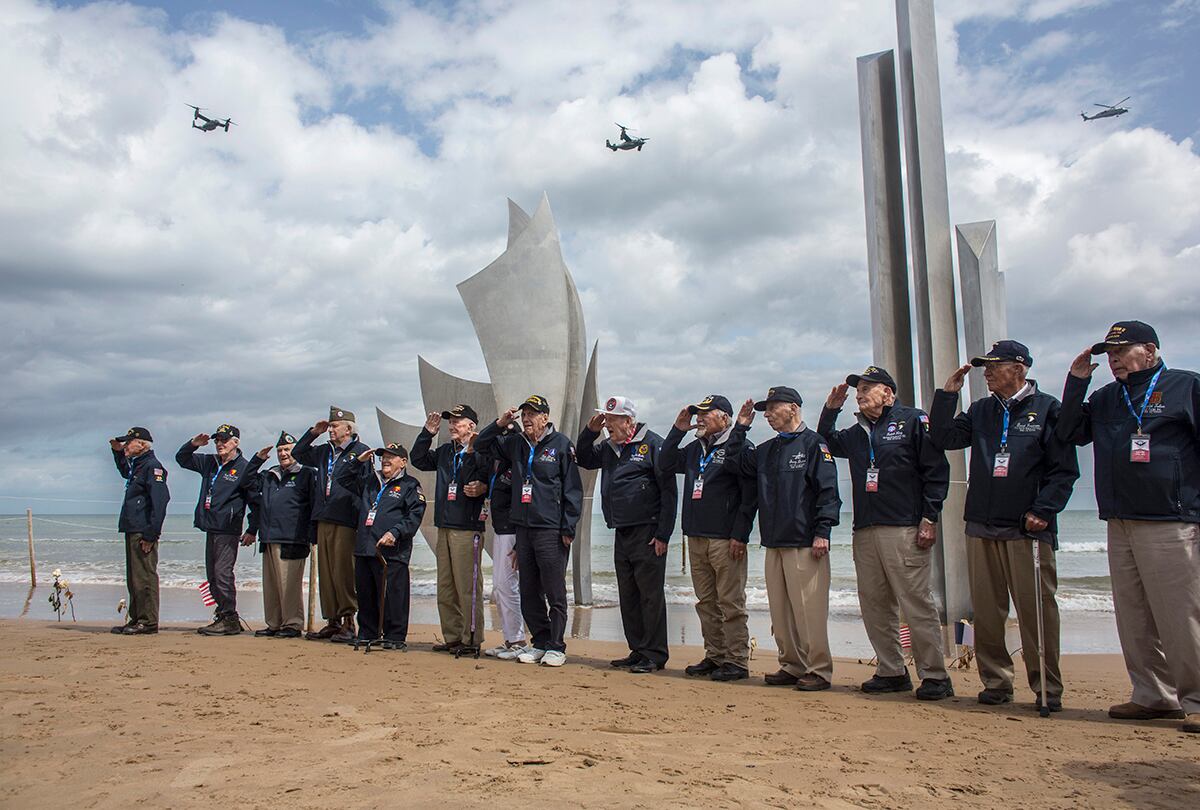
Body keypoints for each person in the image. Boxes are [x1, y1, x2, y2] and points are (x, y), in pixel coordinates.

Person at [1057, 321, 1200, 733]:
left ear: (1150, 351)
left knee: (1180, 615)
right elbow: (1068, 432)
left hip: (1171, 520)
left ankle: (1195, 698)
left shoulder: (1184, 386)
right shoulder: (1107, 397)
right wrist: (1077, 383)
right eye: (1109, 353)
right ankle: (1153, 695)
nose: (1114, 358)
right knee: (1134, 615)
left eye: (1122, 350)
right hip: (1120, 519)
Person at [928, 340, 1079, 711]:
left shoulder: (1048, 409)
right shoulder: (981, 410)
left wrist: (1044, 510)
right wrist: (947, 397)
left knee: (1036, 612)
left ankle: (1047, 689)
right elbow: (943, 438)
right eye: (984, 366)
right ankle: (996, 683)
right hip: (981, 525)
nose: (987, 371)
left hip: (1027, 529)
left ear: (1021, 367)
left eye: (995, 365)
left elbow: (1064, 471)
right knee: (987, 613)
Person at [818, 366, 954, 700]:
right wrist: (831, 410)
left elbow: (936, 471)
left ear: (888, 393)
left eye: (867, 388)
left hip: (904, 527)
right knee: (875, 604)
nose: (860, 394)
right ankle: (892, 670)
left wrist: (929, 517)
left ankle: (935, 675)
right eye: (858, 390)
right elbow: (827, 443)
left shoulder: (912, 421)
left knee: (915, 602)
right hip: (865, 529)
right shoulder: (856, 432)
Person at [732, 387, 841, 692]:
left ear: (793, 408)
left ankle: (818, 669)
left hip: (805, 542)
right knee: (780, 613)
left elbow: (828, 491)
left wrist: (823, 531)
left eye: (772, 409)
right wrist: (741, 428)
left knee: (809, 611)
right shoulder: (767, 449)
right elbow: (735, 464)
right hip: (774, 542)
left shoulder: (814, 444)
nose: (766, 414)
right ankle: (791, 665)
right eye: (764, 410)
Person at [474, 395, 583, 668]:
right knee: (529, 589)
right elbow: (482, 445)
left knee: (554, 590)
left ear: (545, 417)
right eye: (524, 414)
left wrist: (568, 527)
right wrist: (500, 424)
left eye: (532, 414)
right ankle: (541, 642)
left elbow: (572, 489)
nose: (526, 419)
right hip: (523, 529)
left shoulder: (561, 445)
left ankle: (557, 646)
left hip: (550, 529)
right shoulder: (516, 443)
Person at [657, 394, 755, 682]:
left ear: (724, 417)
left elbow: (749, 497)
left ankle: (736, 660)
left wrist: (740, 534)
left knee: (731, 602)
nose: (699, 418)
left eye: (705, 413)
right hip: (696, 536)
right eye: (697, 413)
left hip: (726, 539)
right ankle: (715, 655)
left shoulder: (740, 447)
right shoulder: (693, 448)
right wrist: (677, 429)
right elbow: (664, 463)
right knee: (706, 601)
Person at [577, 396, 678, 674]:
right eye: (606, 419)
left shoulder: (653, 444)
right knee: (629, 594)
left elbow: (669, 493)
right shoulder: (609, 447)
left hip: (648, 530)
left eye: (612, 420)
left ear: (629, 421)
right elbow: (584, 458)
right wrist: (590, 432)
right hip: (621, 529)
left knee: (649, 595)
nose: (608, 424)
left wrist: (663, 534)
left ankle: (655, 654)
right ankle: (638, 649)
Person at [411, 404, 487, 655]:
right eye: (450, 421)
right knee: (445, 587)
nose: (452, 425)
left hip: (467, 527)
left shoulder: (481, 451)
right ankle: (453, 636)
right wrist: (427, 434)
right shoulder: (446, 451)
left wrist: (483, 487)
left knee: (467, 586)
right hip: (444, 525)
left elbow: (494, 476)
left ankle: (471, 639)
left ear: (472, 426)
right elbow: (419, 459)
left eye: (458, 421)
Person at [336, 442, 426, 650]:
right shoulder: (370, 481)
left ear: (403, 462)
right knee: (366, 594)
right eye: (383, 456)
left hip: (391, 551)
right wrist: (358, 461)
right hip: (366, 547)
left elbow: (415, 514)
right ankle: (368, 633)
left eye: (391, 456)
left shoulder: (410, 485)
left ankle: (394, 636)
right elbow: (341, 478)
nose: (385, 459)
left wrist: (395, 532)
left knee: (393, 595)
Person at [292, 407, 370, 643]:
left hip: (346, 517)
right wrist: (313, 433)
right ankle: (332, 620)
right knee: (325, 571)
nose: (331, 430)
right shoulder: (325, 451)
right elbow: (299, 453)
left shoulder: (361, 451)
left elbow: (366, 487)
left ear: (348, 429)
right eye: (330, 426)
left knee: (343, 570)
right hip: (323, 516)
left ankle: (348, 620)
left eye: (335, 426)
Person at [177, 424, 260, 636]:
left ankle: (230, 617)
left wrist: (252, 528)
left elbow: (255, 502)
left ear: (236, 442)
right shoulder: (210, 462)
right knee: (212, 575)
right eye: (217, 440)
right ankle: (223, 615)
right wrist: (193, 444)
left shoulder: (243, 467)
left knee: (222, 573)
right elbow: (182, 459)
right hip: (210, 526)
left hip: (228, 528)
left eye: (224, 440)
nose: (220, 444)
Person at [243, 432, 318, 639]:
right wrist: (257, 460)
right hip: (268, 537)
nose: (283, 454)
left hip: (292, 538)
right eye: (280, 451)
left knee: (289, 585)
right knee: (272, 585)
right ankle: (274, 623)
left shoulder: (307, 473)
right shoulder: (270, 474)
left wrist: (312, 533)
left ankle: (292, 624)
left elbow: (314, 505)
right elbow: (246, 482)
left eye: (287, 450)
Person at [465, 435, 528, 659]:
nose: (499, 445)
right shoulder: (497, 464)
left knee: (507, 584)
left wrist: (520, 541)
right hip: (499, 528)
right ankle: (510, 639)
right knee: (499, 587)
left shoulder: (519, 465)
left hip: (513, 530)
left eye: (504, 441)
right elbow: (482, 443)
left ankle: (519, 640)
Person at [109, 427, 170, 635]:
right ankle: (136, 618)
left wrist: (152, 534)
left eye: (129, 443)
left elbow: (160, 501)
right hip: (132, 527)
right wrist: (117, 452)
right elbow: (125, 471)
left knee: (145, 577)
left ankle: (148, 621)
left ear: (142, 445)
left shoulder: (153, 466)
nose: (126, 446)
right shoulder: (138, 465)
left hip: (143, 530)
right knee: (134, 577)